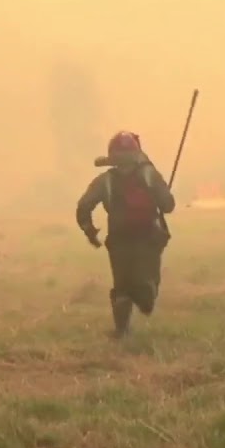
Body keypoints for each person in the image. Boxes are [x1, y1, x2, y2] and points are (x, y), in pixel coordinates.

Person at [76, 131, 176, 338]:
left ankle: (121, 331)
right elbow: (168, 206)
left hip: (119, 239)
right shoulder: (150, 174)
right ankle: (146, 294)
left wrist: (89, 230)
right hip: (150, 236)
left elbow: (84, 206)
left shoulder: (104, 180)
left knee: (121, 287)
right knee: (148, 281)